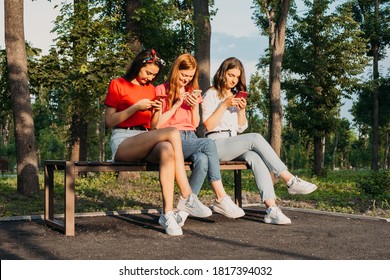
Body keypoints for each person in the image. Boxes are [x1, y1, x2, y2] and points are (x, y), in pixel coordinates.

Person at [104, 49, 212, 236]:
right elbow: (109, 121)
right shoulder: (118, 84)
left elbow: (153, 127)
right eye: (148, 73)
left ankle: (167, 214)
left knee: (167, 149)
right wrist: (136, 107)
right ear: (139, 66)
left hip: (146, 137)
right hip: (123, 140)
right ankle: (187, 195)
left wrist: (155, 111)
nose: (150, 78)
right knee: (172, 132)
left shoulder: (151, 89)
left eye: (154, 75)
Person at [202, 57, 318, 225]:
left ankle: (271, 209)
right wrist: (224, 106)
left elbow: (241, 128)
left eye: (237, 77)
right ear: (222, 73)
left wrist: (241, 111)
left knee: (256, 158)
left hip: (232, 142)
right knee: (255, 138)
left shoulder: (234, 96)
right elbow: (207, 125)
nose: (234, 80)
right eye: (230, 75)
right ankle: (290, 180)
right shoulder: (211, 93)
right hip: (214, 144)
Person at [154, 53, 245, 223]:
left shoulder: (190, 91)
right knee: (209, 143)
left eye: (190, 77)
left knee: (202, 160)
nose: (186, 80)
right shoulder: (161, 89)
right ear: (175, 71)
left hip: (191, 137)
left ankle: (183, 210)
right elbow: (157, 125)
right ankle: (221, 197)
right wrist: (176, 105)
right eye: (183, 75)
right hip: (172, 138)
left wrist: (194, 106)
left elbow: (195, 124)